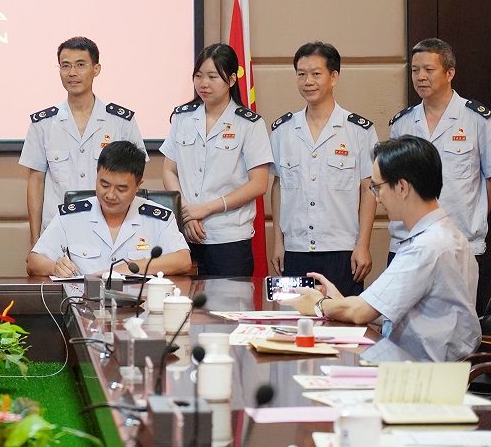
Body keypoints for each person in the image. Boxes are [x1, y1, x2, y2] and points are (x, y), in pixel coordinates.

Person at [284, 136, 480, 362]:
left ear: (402, 187)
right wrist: (340, 302)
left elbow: (361, 312)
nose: (376, 198)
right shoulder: (448, 235)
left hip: (418, 372)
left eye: (377, 188)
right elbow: (389, 308)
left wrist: (319, 305)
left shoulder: (426, 247)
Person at [387, 38, 491, 312]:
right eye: (415, 70)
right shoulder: (402, 124)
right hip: (407, 245)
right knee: (401, 327)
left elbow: (489, 180)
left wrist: (476, 218)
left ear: (449, 72)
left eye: (428, 70)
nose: (420, 77)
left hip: (461, 245)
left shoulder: (478, 120)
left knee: (461, 328)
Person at [269, 42, 378, 296]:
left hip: (342, 251)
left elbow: (369, 189)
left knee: (342, 317)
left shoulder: (359, 130)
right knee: (296, 317)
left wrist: (363, 244)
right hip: (295, 250)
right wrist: (278, 242)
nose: (308, 81)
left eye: (316, 74)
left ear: (334, 77)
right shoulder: (283, 130)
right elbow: (279, 187)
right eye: (301, 74)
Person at [20, 37, 147, 246]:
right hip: (57, 231)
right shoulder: (43, 123)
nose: (72, 73)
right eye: (65, 66)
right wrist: (35, 239)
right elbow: (36, 182)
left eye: (80, 65)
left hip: (110, 230)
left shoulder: (121, 121)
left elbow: (135, 177)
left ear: (96, 69)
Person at [160, 43, 272, 276]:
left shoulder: (249, 124)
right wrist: (187, 213)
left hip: (229, 239)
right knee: (184, 299)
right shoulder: (182, 118)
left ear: (231, 80)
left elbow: (258, 184)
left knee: (228, 300)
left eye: (212, 77)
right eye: (198, 76)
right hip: (184, 236)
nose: (204, 83)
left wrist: (206, 209)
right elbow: (169, 170)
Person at [26, 141, 191, 277]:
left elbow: (183, 260)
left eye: (121, 189)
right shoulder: (71, 216)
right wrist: (54, 267)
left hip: (140, 303)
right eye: (104, 185)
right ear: (97, 174)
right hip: (83, 302)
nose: (110, 195)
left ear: (138, 185)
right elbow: (34, 262)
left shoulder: (158, 218)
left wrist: (127, 268)